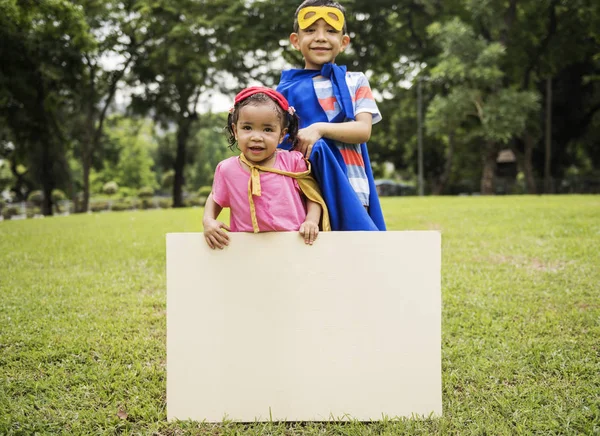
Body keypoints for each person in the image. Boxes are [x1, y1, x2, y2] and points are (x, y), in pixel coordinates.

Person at [276, 0, 386, 231]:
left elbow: (363, 131)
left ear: (344, 42)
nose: (321, 37)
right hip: (303, 190)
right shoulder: (283, 91)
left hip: (352, 185)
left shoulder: (355, 81)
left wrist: (319, 128)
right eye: (310, 30)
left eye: (331, 31)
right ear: (295, 41)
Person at [203, 86, 330, 249]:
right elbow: (215, 197)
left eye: (268, 129)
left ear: (281, 135)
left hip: (294, 245)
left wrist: (311, 221)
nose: (256, 137)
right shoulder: (227, 169)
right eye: (247, 128)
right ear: (235, 130)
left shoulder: (292, 162)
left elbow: (313, 195)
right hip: (247, 250)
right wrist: (208, 221)